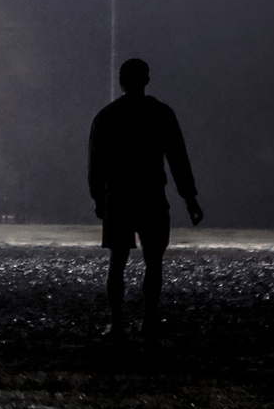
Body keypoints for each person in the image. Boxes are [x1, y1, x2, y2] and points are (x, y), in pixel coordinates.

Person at [87, 59, 203, 336]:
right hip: (151, 193)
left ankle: (117, 323)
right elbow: (177, 158)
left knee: (117, 262)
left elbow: (96, 162)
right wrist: (189, 198)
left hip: (119, 194)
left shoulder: (107, 115)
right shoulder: (160, 113)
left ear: (120, 81)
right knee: (154, 262)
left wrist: (98, 198)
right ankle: (149, 319)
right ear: (147, 80)